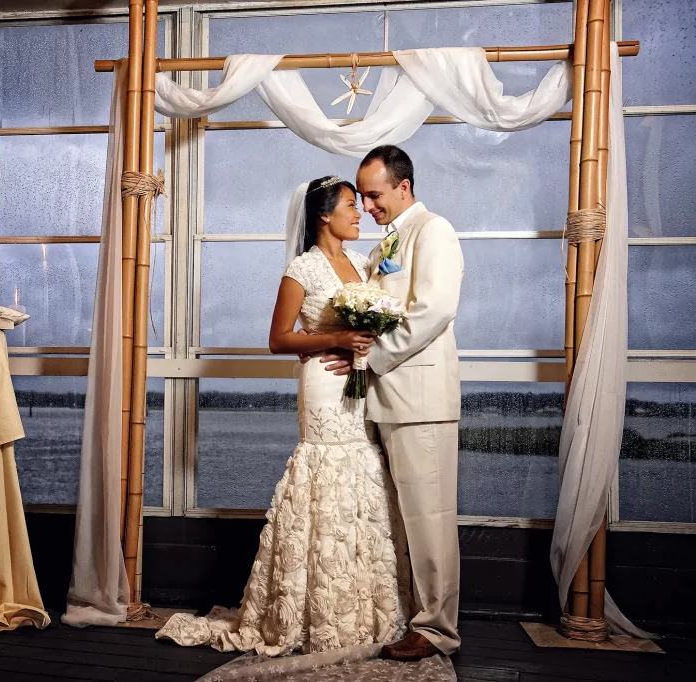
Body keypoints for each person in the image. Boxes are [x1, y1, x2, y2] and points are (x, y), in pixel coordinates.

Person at [155, 176, 409, 656]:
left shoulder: (360, 263)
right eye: (351, 206)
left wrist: (366, 343)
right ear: (323, 216)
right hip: (323, 385)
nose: (359, 214)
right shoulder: (303, 269)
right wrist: (334, 339)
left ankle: (363, 606)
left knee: (361, 477)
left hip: (358, 386)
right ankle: (312, 611)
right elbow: (279, 339)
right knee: (325, 475)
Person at [310, 145, 464, 661]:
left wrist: (371, 357)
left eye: (374, 195)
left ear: (404, 186)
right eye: (363, 198)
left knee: (431, 518)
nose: (368, 206)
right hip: (385, 404)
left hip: (421, 401)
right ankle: (413, 616)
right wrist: (347, 352)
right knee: (403, 520)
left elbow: (436, 308)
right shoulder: (388, 244)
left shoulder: (433, 230)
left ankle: (438, 628)